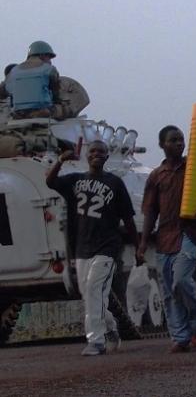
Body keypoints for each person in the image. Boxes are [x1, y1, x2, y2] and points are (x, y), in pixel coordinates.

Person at [46, 140, 138, 356]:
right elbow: (50, 182)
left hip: (107, 247)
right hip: (82, 247)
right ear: (87, 155)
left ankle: (96, 341)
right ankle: (111, 328)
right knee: (89, 295)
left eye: (101, 151)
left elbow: (128, 218)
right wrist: (60, 160)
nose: (97, 154)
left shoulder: (115, 183)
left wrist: (138, 247)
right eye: (93, 151)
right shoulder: (75, 180)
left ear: (107, 156)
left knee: (94, 290)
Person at [135, 125, 196, 353]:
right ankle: (180, 337)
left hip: (190, 234)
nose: (179, 143)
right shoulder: (156, 176)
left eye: (181, 139)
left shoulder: (195, 168)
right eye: (173, 140)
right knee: (169, 292)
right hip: (164, 238)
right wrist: (143, 244)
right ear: (162, 145)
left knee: (181, 280)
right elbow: (151, 211)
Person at [0, 41, 60, 118]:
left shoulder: (13, 71)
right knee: (65, 108)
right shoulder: (50, 69)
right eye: (49, 57)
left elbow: (2, 92)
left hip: (18, 114)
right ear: (42, 55)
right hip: (43, 111)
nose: (50, 61)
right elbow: (56, 92)